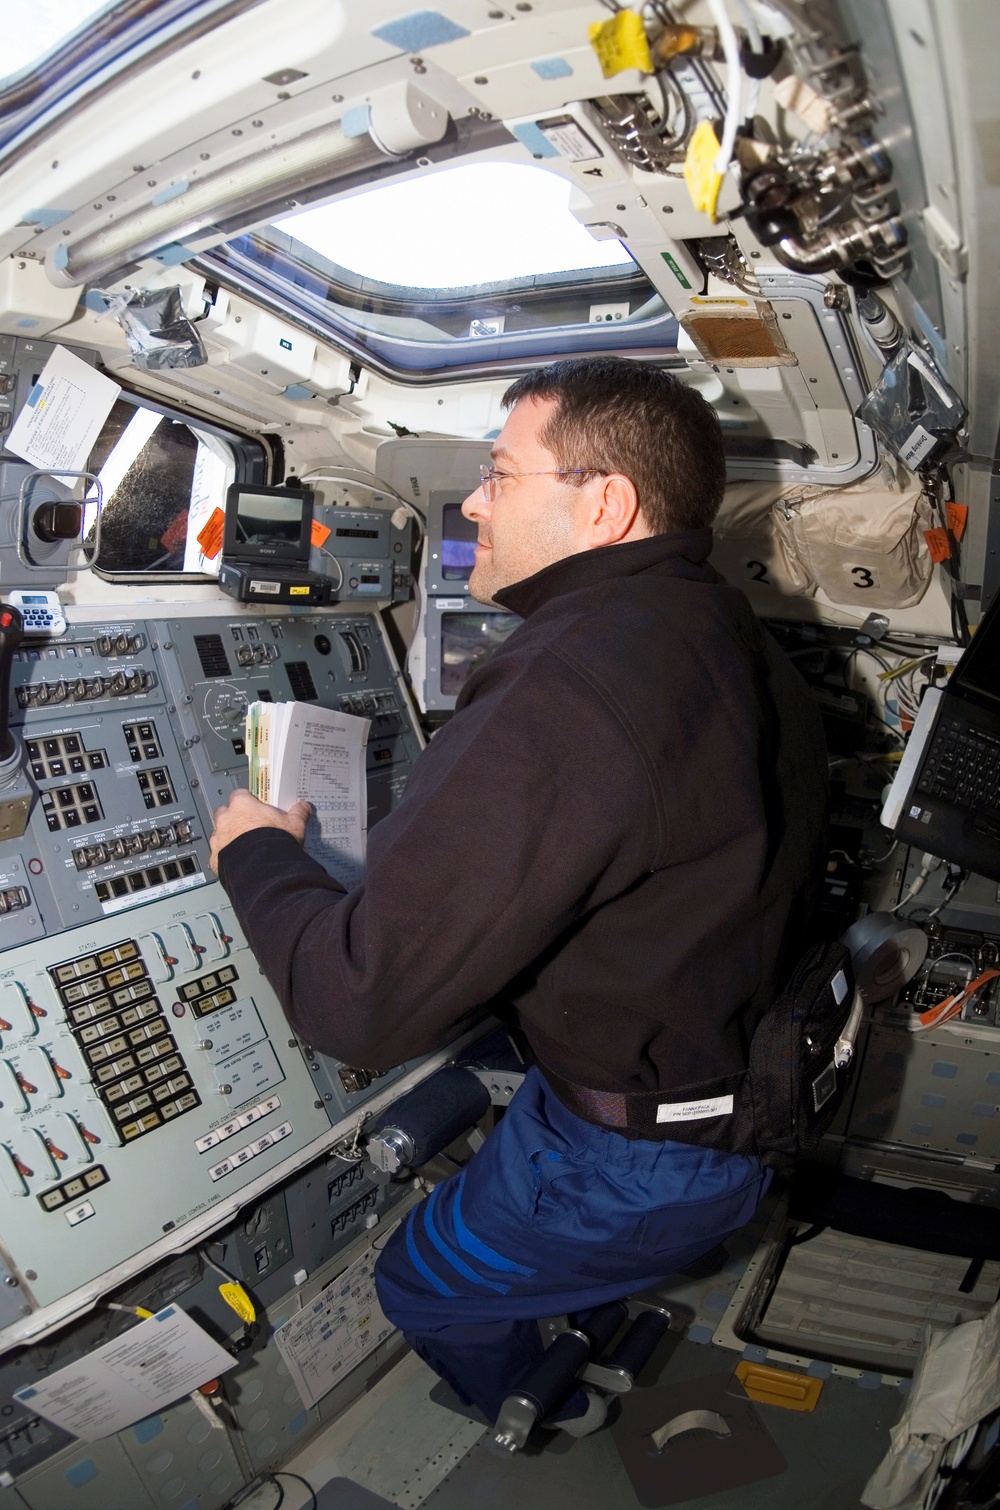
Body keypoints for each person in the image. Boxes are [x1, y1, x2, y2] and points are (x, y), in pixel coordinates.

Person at [210, 356, 828, 1438]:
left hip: (640, 1158)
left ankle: (527, 1406)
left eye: (499, 475)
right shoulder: (719, 625)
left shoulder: (570, 681)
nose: (475, 508)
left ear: (603, 500)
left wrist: (256, 856)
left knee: (418, 1278)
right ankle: (561, 1295)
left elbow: (354, 1003)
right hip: (734, 1084)